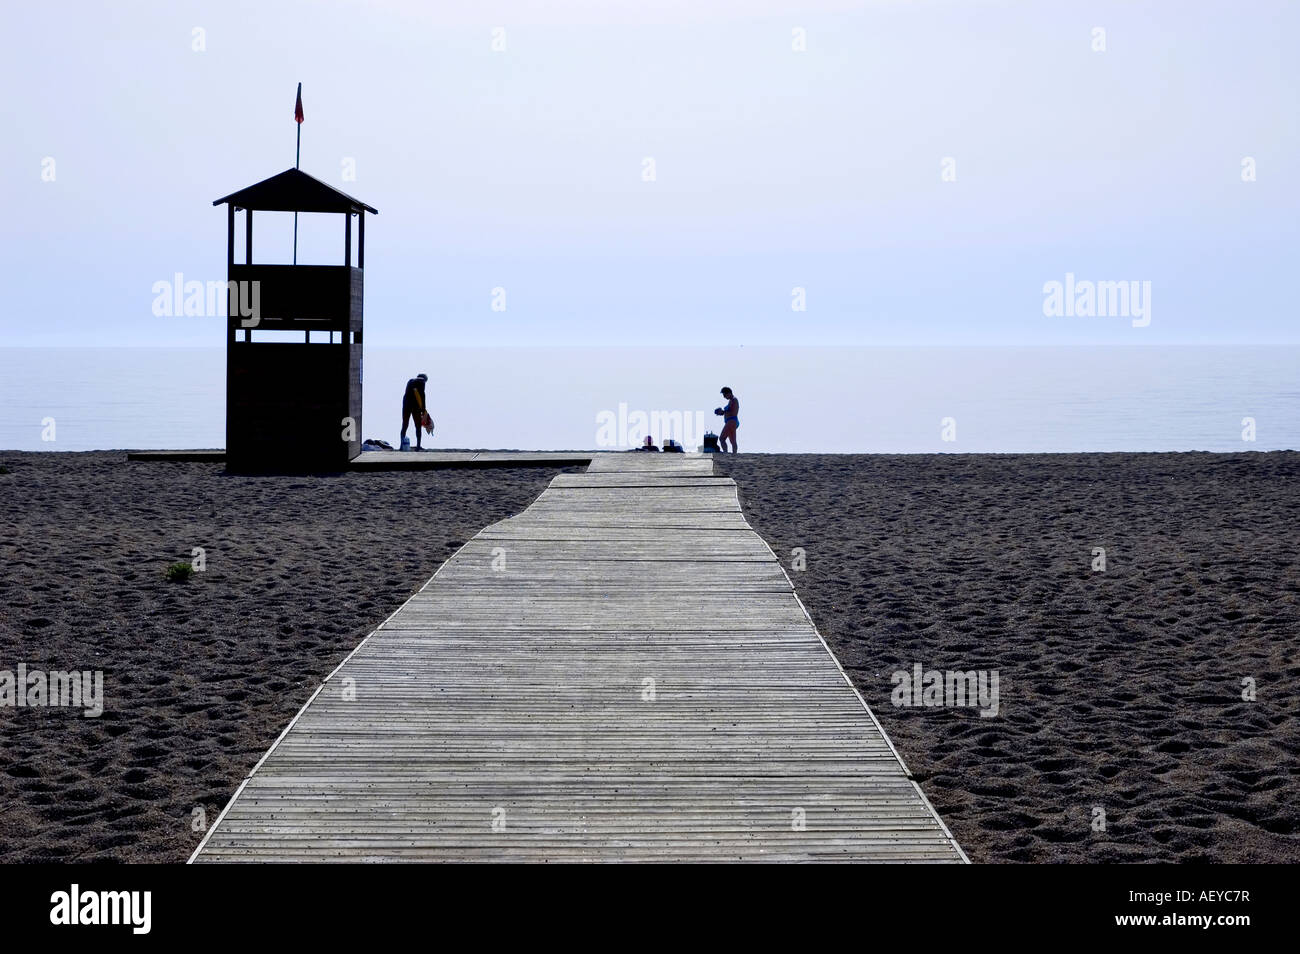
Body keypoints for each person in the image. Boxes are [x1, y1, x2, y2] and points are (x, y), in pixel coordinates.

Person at [401, 373, 430, 451]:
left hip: (406, 404)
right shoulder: (422, 381)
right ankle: (418, 446)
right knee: (418, 425)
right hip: (415, 406)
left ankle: (401, 446)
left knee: (404, 425)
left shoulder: (410, 381)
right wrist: (423, 410)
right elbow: (422, 395)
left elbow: (407, 394)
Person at [714, 386, 739, 453]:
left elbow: (731, 411)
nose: (724, 397)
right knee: (733, 441)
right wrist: (722, 412)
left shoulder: (733, 400)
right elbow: (729, 411)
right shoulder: (732, 400)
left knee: (722, 438)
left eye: (724, 395)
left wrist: (722, 412)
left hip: (731, 421)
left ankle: (725, 453)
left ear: (729, 393)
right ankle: (734, 455)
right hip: (732, 422)